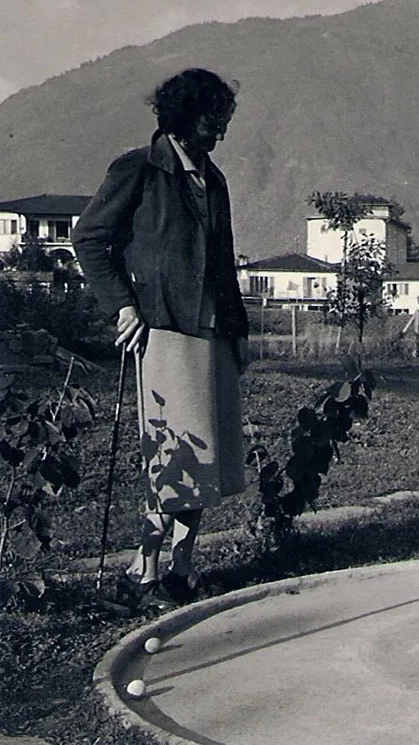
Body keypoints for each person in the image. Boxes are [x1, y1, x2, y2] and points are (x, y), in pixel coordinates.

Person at [73, 68, 250, 608]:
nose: (218, 132)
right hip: (166, 329)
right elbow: (90, 239)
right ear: (180, 115)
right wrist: (123, 305)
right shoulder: (139, 169)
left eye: (223, 122)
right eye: (209, 120)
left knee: (207, 457)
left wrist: (237, 331)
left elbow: (222, 263)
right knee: (171, 457)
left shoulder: (212, 179)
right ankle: (144, 574)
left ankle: (181, 569)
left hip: (212, 330)